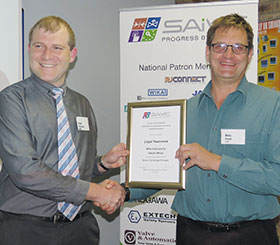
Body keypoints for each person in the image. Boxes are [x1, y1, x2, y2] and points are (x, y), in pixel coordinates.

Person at [118, 14, 280, 245]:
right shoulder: (183, 111)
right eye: (220, 46)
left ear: (250, 54)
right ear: (207, 52)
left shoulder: (274, 105)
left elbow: (277, 178)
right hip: (190, 234)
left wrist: (216, 162)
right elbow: (165, 169)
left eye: (238, 47)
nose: (228, 55)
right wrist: (123, 192)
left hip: (251, 236)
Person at [0, 16, 129, 245]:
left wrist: (101, 164)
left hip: (80, 228)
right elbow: (25, 171)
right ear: (29, 49)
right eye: (39, 46)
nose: (47, 56)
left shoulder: (82, 104)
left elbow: (72, 167)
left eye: (57, 47)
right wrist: (96, 192)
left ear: (72, 54)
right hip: (27, 230)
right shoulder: (11, 99)